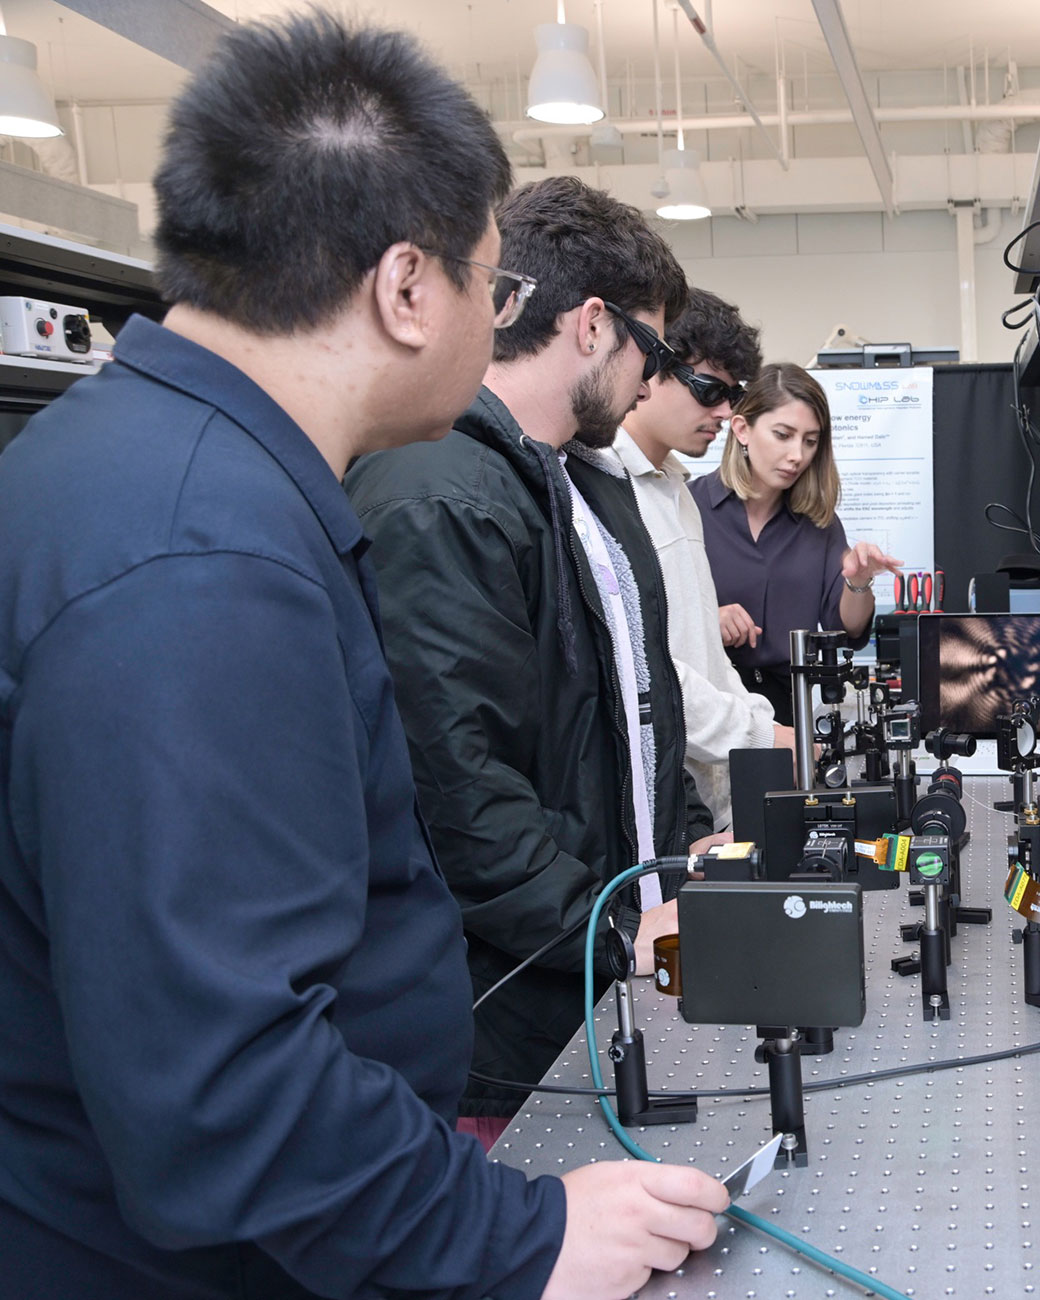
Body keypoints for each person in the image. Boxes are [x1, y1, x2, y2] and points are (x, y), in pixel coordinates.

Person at [0, 14, 725, 1300]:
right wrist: (523, 1238)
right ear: (405, 287)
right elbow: (226, 1079)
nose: (497, 323)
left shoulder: (159, 473)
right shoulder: (198, 559)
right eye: (491, 287)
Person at [345, 175, 721, 1134]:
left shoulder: (577, 486)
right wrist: (621, 927)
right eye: (655, 348)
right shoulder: (441, 494)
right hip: (503, 1029)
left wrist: (688, 838)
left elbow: (630, 706)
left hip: (590, 979)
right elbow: (461, 790)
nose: (653, 380)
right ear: (592, 326)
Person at [611, 289, 796, 828]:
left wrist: (771, 733)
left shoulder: (674, 489)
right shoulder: (609, 494)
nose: (726, 413)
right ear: (649, 369)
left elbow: (709, 665)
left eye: (734, 394)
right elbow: (651, 676)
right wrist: (767, 737)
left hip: (714, 804)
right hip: (665, 809)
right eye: (709, 390)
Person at [693, 362, 903, 725]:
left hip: (789, 713)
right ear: (742, 429)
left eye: (810, 441)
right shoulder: (688, 507)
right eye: (783, 435)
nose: (798, 456)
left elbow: (849, 629)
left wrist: (859, 580)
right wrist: (708, 621)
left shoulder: (819, 524)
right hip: (708, 708)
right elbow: (654, 619)